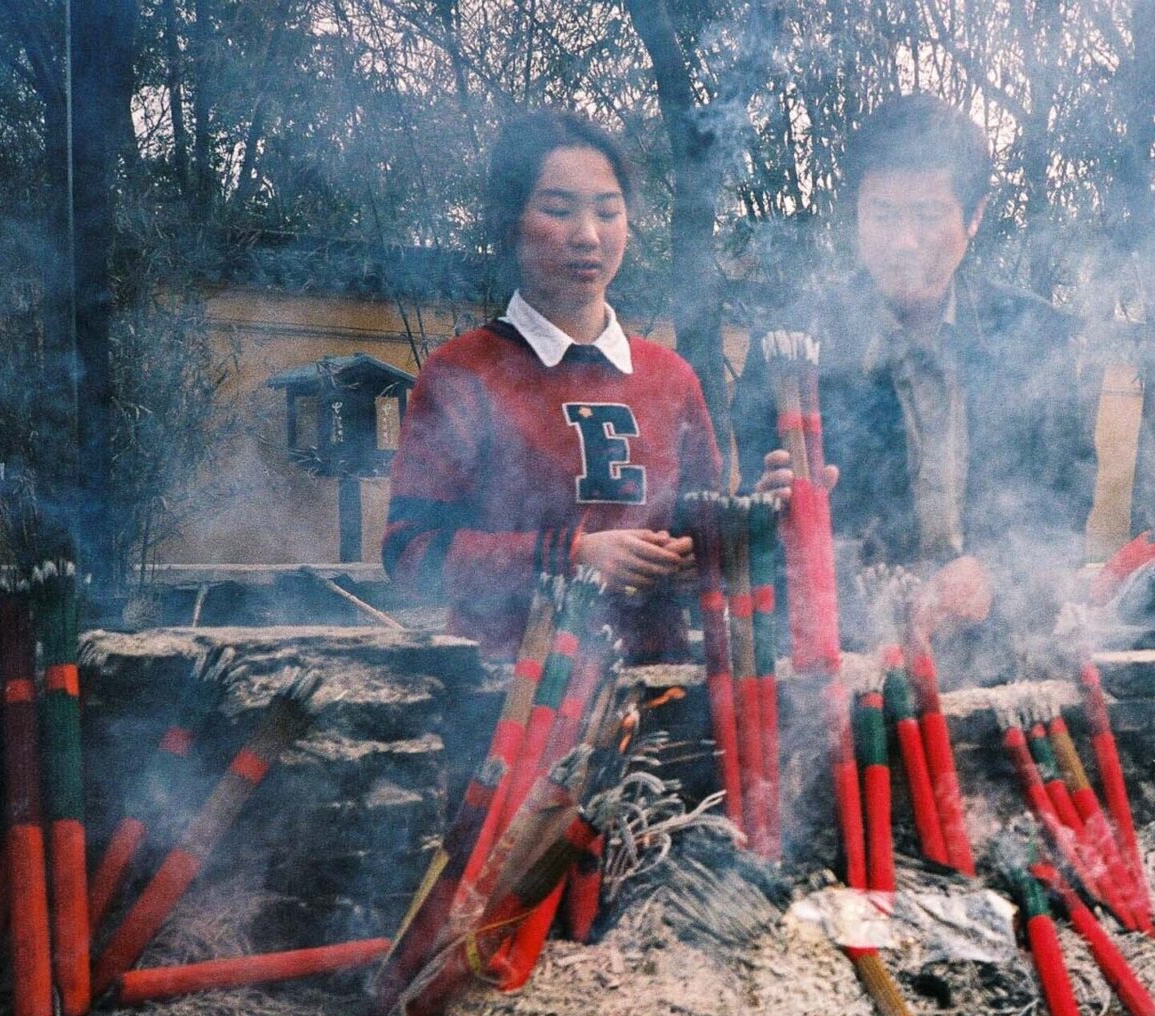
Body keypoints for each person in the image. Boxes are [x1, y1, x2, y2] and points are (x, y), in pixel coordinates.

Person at [736, 93, 1098, 680]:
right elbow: (761, 542)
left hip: (1004, 660)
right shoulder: (793, 347)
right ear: (855, 212)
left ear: (974, 216)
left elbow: (1066, 493)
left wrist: (996, 570)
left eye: (928, 215)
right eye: (882, 215)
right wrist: (765, 511)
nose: (903, 241)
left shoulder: (1037, 339)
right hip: (848, 664)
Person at [383, 111, 721, 659]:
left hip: (658, 689)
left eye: (608, 211)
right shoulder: (463, 372)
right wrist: (573, 557)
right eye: (558, 210)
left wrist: (732, 535)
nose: (587, 236)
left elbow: (709, 540)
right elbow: (411, 555)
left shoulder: (670, 377)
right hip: (504, 697)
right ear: (508, 221)